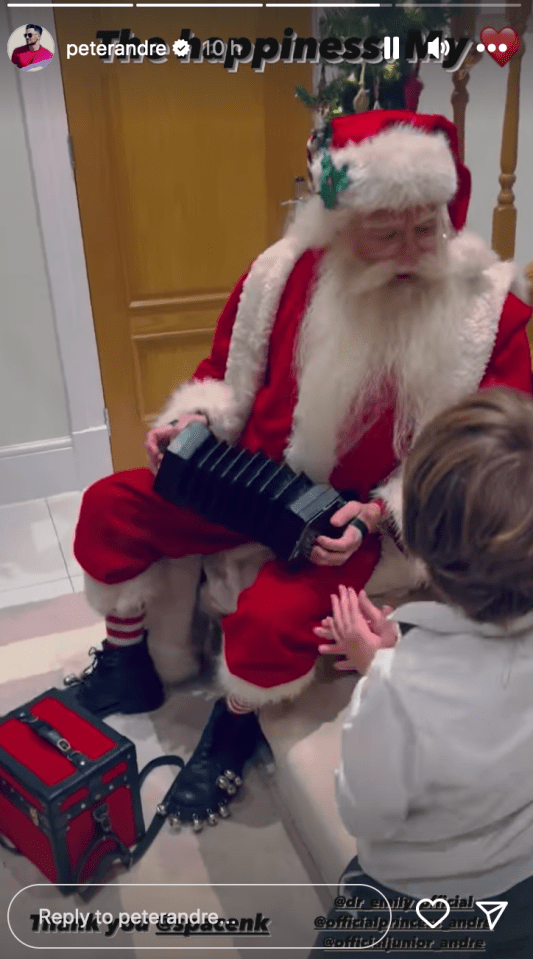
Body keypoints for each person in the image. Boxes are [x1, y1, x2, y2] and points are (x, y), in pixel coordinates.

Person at [70, 110, 532, 830]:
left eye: (427, 227)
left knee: (272, 617)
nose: (412, 249)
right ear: (337, 223)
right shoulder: (277, 274)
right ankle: (126, 661)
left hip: (357, 517)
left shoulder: (487, 314)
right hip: (249, 480)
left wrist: (380, 513)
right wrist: (192, 421)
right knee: (110, 503)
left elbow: (487, 459)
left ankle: (233, 726)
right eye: (387, 231)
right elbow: (222, 372)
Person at [311, 386, 533, 958]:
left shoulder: (394, 693)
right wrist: (398, 654)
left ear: (423, 551)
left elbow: (366, 811)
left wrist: (382, 671)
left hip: (415, 904)